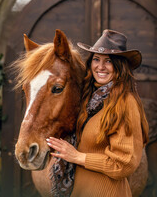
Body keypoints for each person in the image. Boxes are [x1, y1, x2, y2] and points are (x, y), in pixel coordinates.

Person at [46, 29, 149, 197]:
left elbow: (124, 164)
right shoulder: (91, 98)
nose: (100, 66)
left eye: (108, 61)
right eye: (96, 59)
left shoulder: (125, 102)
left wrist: (78, 157)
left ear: (120, 66)